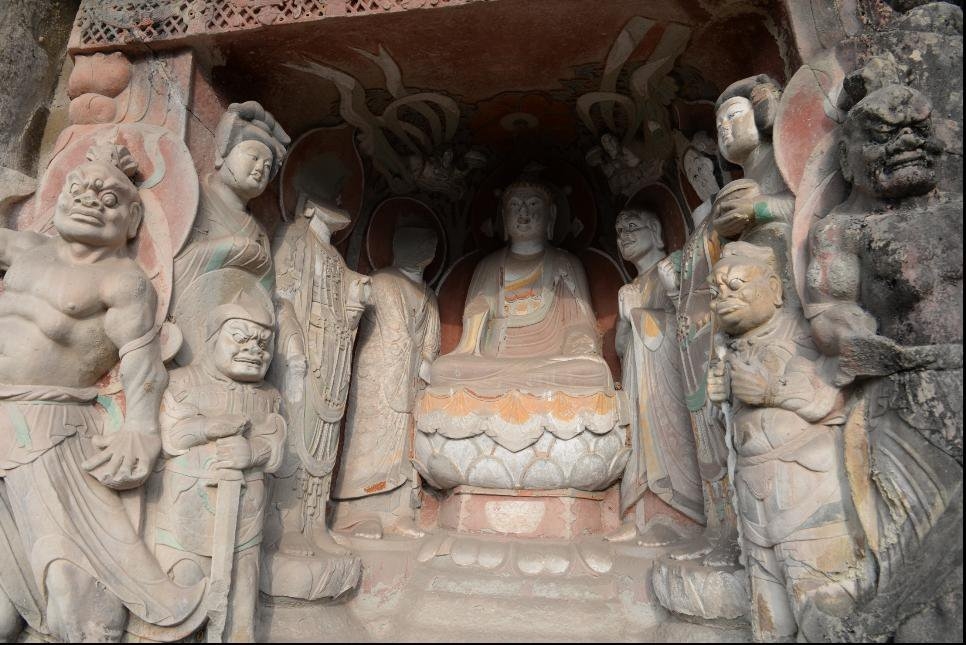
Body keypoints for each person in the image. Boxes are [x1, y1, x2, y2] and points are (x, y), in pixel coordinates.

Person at [0, 142, 203, 641]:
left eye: (109, 199)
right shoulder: (26, 249)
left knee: (67, 573)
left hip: (45, 425)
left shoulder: (122, 281)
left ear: (132, 222)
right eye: (78, 190)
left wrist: (140, 427)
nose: (90, 200)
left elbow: (141, 359)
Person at [155, 289, 285, 642]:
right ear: (212, 338)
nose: (254, 350)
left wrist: (253, 452)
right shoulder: (183, 382)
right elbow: (171, 435)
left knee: (243, 601)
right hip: (186, 514)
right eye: (240, 338)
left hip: (245, 519)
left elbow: (275, 442)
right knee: (181, 591)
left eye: (264, 343)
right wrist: (208, 427)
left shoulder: (268, 397)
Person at [334, 226, 440, 539]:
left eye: (429, 245)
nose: (424, 249)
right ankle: (358, 513)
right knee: (372, 444)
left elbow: (431, 339)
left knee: (407, 447)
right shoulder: (384, 281)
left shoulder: (428, 293)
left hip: (413, 380)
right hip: (381, 377)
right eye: (418, 242)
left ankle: (399, 514)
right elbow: (396, 333)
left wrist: (428, 363)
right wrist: (419, 364)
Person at [607, 209, 703, 544]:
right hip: (638, 378)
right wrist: (625, 319)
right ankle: (638, 516)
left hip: (666, 381)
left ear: (656, 231)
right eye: (619, 231)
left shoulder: (669, 270)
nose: (624, 236)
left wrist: (641, 313)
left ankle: (678, 517)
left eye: (632, 227)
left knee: (669, 440)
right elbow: (621, 348)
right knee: (637, 444)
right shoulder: (631, 286)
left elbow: (691, 324)